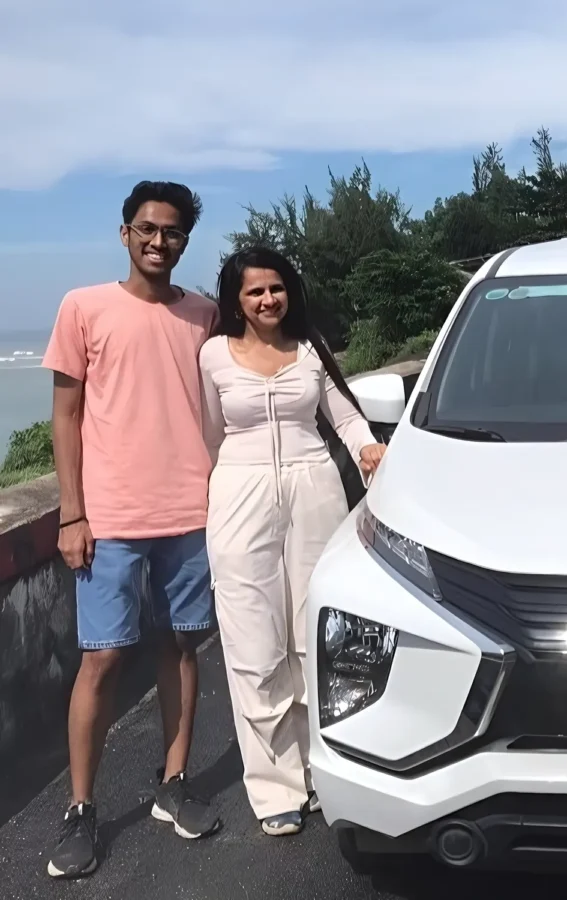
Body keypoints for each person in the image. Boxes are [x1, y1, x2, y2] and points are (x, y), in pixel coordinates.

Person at [42, 181, 223, 879]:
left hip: (190, 512)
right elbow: (65, 415)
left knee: (180, 647)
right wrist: (72, 511)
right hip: (111, 518)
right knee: (102, 660)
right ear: (125, 234)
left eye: (172, 232)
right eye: (147, 229)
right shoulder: (84, 307)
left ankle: (172, 783)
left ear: (184, 241)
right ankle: (81, 809)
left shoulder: (203, 314)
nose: (159, 242)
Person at [198, 246, 386, 836]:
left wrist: (368, 447)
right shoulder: (212, 357)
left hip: (315, 490)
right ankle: (275, 786)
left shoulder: (309, 349)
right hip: (240, 493)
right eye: (255, 292)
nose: (268, 300)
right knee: (253, 640)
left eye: (276, 289)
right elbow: (208, 433)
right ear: (236, 300)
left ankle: (323, 769)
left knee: (315, 633)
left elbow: (346, 415)